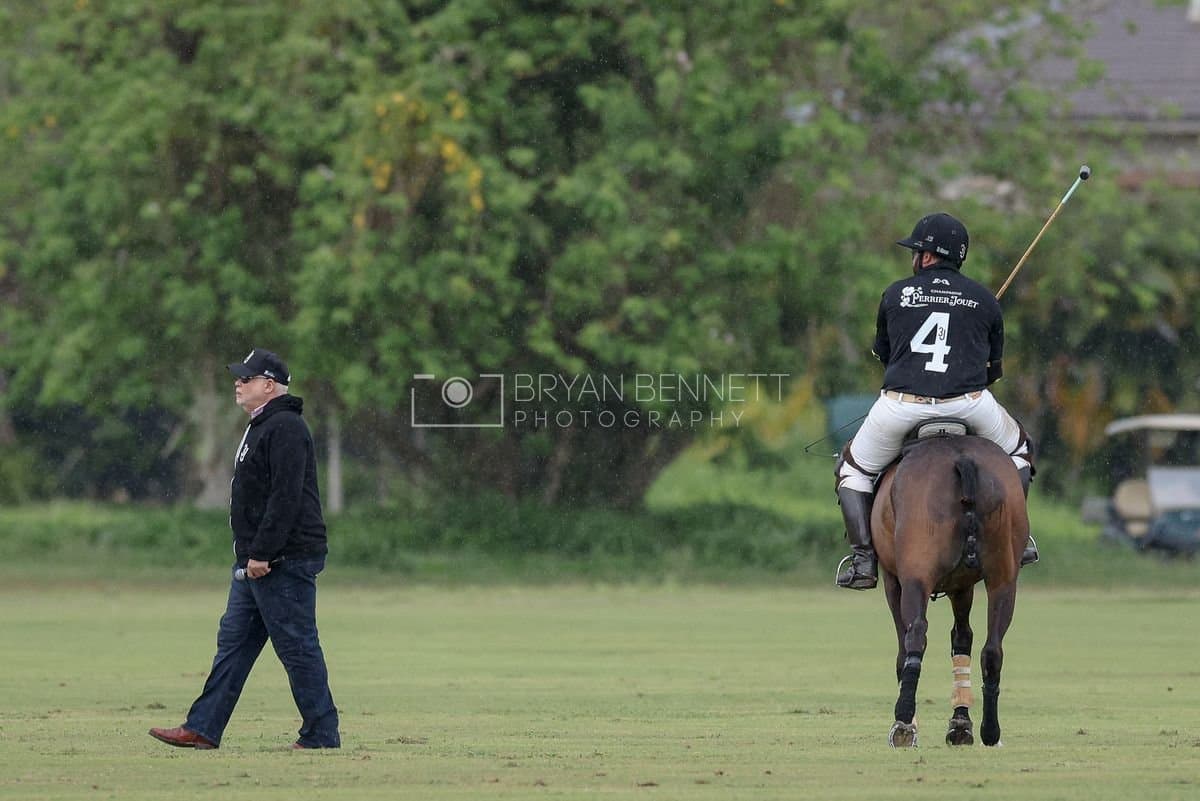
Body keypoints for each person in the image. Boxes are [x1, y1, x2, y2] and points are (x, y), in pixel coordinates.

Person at [834, 213, 1038, 590]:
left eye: (916, 251)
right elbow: (993, 371)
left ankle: (863, 559)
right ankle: (1016, 538)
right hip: (968, 405)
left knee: (852, 469)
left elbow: (884, 355)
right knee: (1020, 451)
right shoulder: (984, 300)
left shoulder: (897, 294)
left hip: (902, 406)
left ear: (926, 257)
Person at [149, 348, 340, 749]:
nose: (237, 383)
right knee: (233, 645)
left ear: (269, 385)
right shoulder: (261, 424)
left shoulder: (285, 427)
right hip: (255, 560)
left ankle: (322, 734)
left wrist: (263, 553)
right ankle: (202, 728)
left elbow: (285, 498)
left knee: (297, 647)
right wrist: (251, 554)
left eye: (246, 378)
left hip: (281, 560)